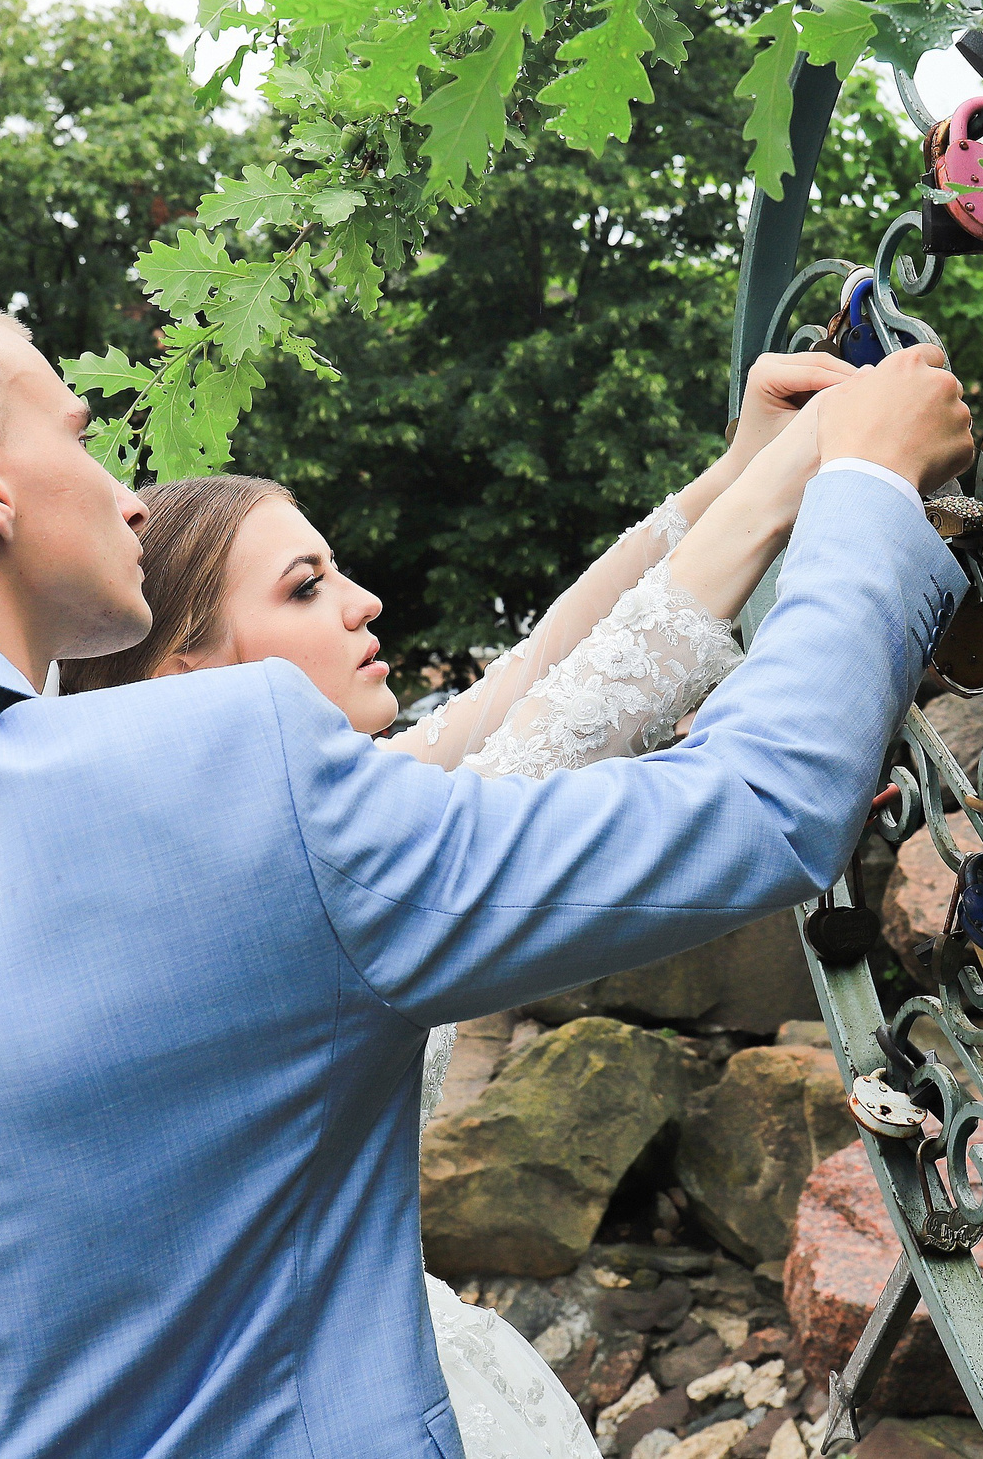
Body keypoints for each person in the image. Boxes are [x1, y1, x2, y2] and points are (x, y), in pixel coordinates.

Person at [0, 290, 971, 1458]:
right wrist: (863, 493)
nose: (125, 487)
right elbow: (752, 810)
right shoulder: (223, 773)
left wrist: (742, 485)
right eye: (79, 431)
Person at [60, 395, 827, 1459]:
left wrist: (730, 471)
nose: (364, 601)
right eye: (305, 585)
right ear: (183, 671)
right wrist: (816, 469)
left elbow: (531, 674)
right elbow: (579, 716)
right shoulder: (272, 871)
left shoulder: (272, 820)